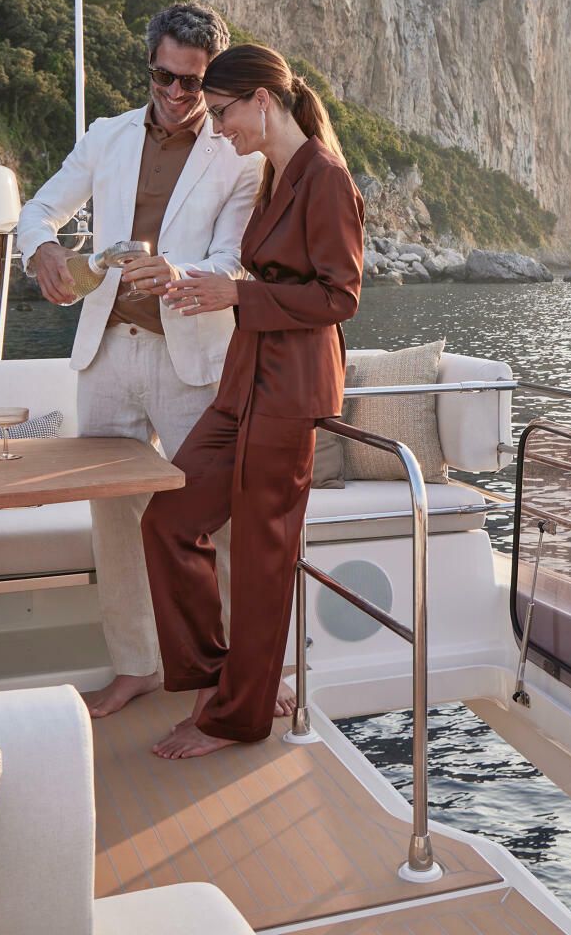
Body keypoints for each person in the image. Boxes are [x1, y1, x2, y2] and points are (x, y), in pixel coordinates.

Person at [16, 2, 268, 720]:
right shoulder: (107, 135)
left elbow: (229, 263)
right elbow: (41, 209)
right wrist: (42, 251)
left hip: (189, 356)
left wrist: (174, 273)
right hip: (105, 355)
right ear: (149, 66)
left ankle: (230, 671)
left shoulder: (239, 158)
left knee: (210, 521)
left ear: (210, 77)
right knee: (115, 524)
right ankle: (137, 667)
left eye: (194, 83)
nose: (179, 95)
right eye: (166, 77)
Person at [142, 43, 366, 759]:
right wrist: (212, 287)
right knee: (169, 519)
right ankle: (219, 680)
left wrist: (236, 293)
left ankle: (237, 719)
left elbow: (341, 295)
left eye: (225, 113)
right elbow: (268, 279)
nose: (218, 130)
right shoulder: (276, 173)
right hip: (246, 378)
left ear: (261, 102)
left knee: (266, 557)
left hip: (290, 386)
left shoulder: (325, 179)